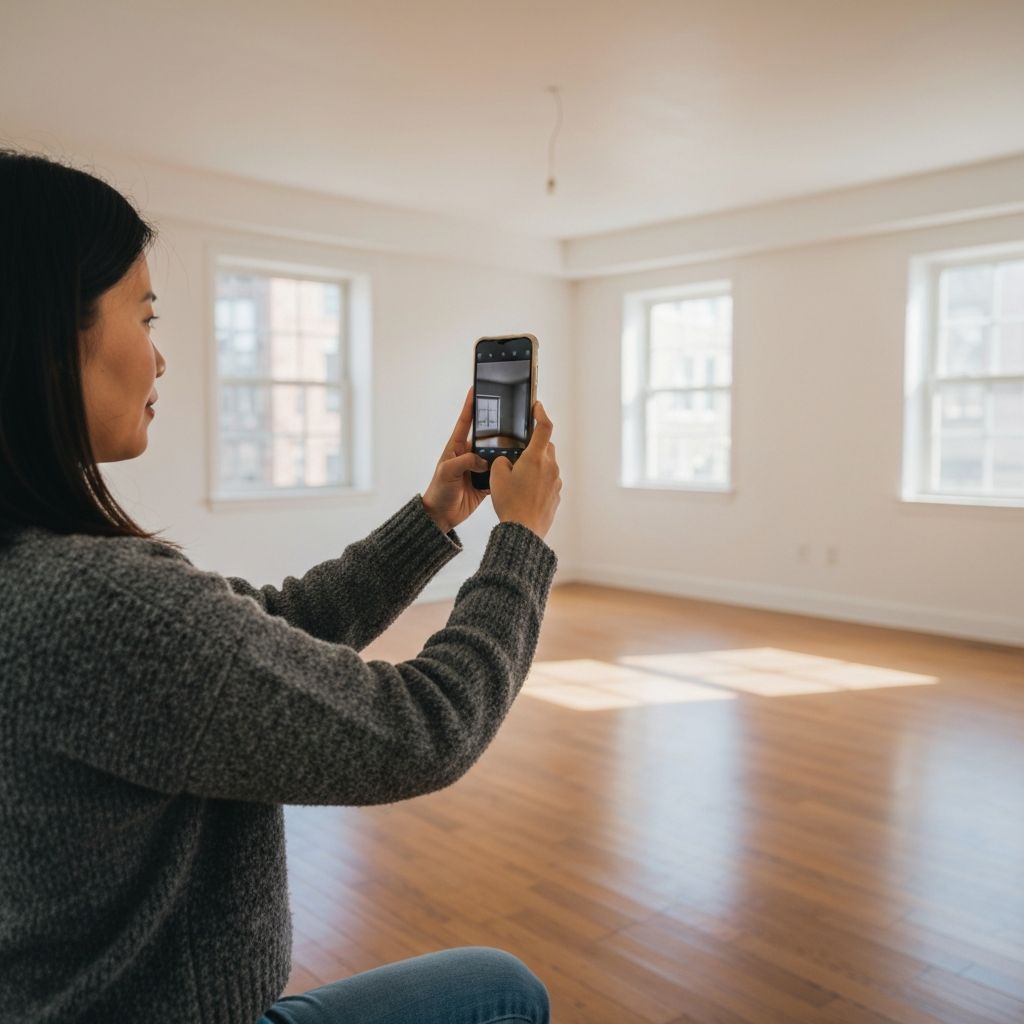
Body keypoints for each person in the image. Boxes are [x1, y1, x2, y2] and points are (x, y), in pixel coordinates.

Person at [0, 148, 562, 1024]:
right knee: (506, 993)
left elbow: (260, 634)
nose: (159, 359)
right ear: (44, 335)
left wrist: (435, 517)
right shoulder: (91, 603)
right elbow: (422, 727)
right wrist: (519, 541)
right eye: (143, 317)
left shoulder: (33, 571)